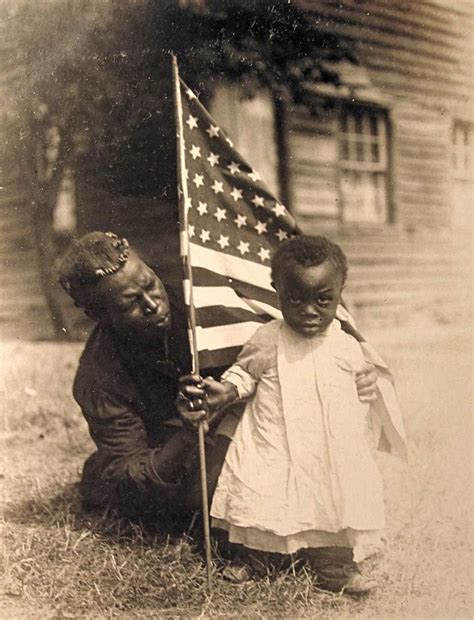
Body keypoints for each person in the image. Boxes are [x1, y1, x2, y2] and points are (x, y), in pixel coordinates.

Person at [58, 231, 378, 522]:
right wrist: (188, 430)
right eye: (130, 303)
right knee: (192, 505)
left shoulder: (206, 302)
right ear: (98, 315)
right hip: (170, 451)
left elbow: (287, 342)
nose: (153, 304)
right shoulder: (99, 375)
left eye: (150, 284)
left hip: (243, 426)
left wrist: (353, 374)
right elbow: (133, 473)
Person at [197, 236, 406, 594]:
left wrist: (368, 388)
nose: (309, 310)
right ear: (277, 290)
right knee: (266, 498)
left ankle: (335, 565)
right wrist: (226, 390)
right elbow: (244, 375)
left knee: (333, 501)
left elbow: (367, 385)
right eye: (296, 299)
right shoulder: (268, 338)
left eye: (323, 300)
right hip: (276, 439)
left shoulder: (345, 344)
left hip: (329, 448)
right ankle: (259, 557)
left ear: (340, 291)